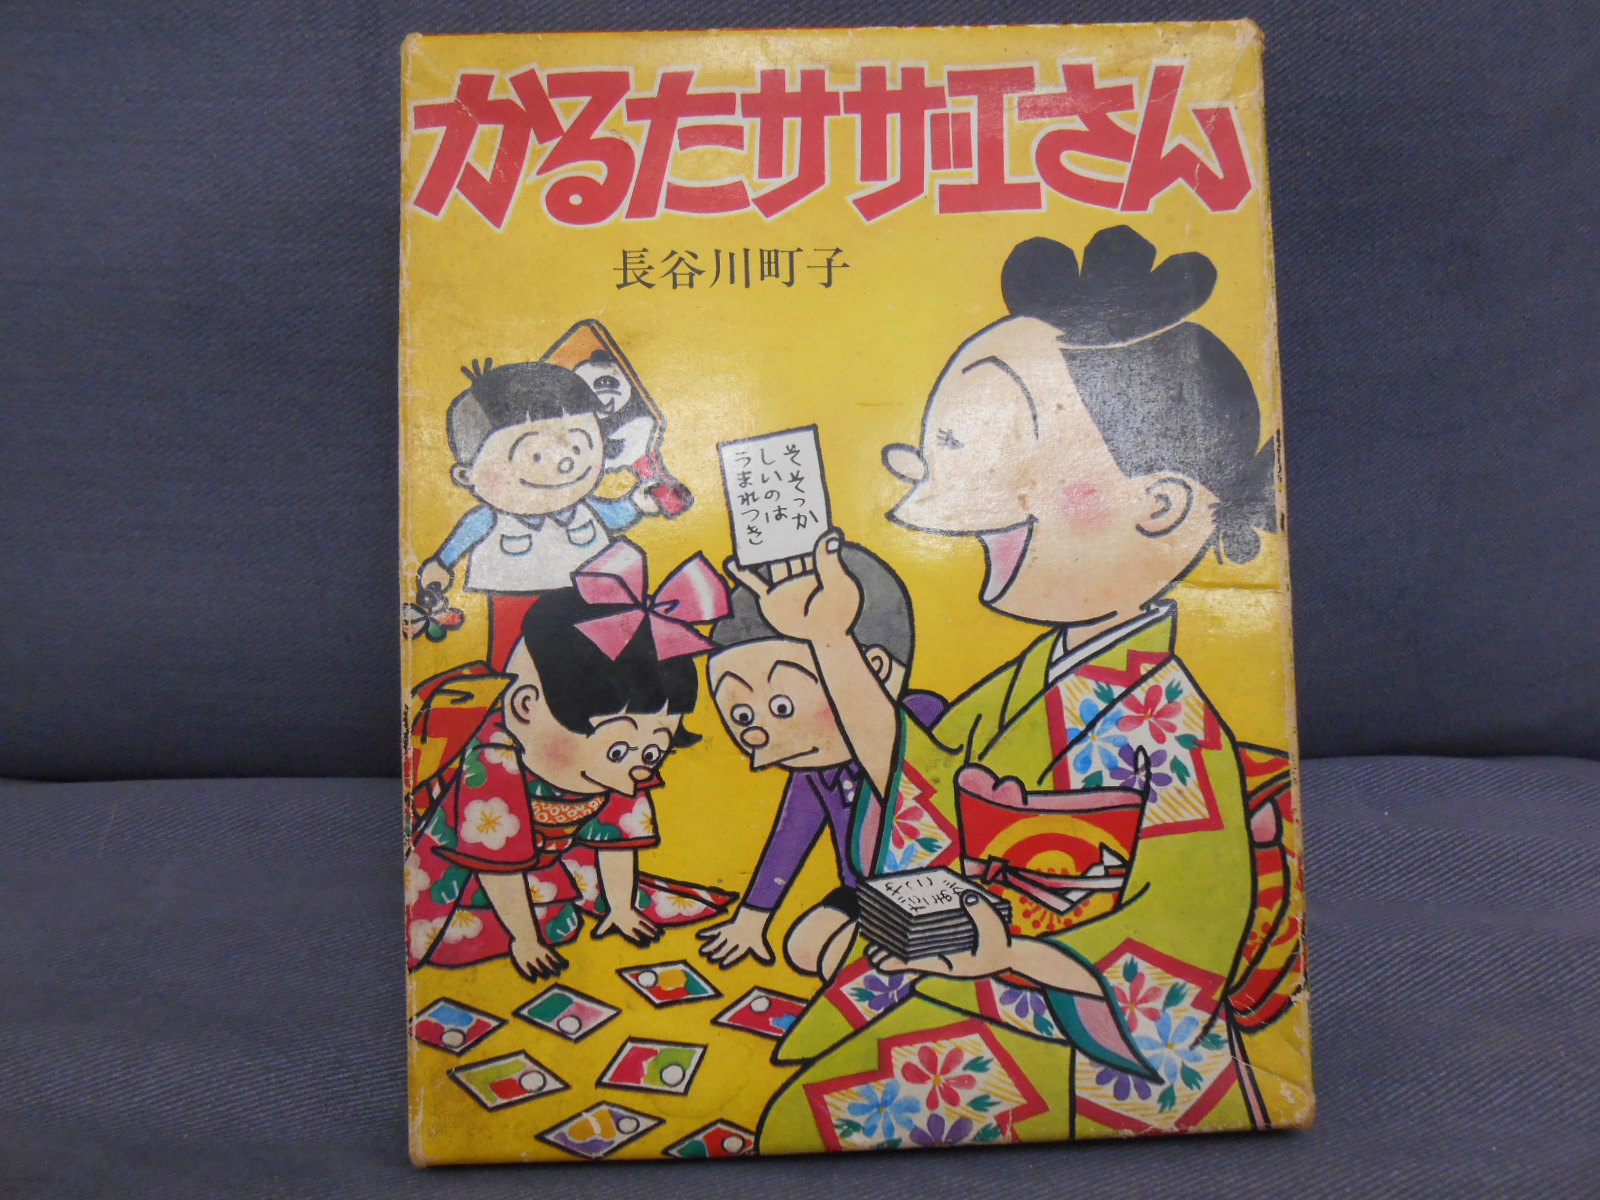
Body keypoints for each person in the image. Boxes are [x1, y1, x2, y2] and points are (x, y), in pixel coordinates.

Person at [742, 227, 1307, 1155]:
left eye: (1000, 443)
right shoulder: (1031, 679)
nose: (932, 479)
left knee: (812, 1117)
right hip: (982, 973)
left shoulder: (1170, 724)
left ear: (1159, 503)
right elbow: (921, 784)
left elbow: (1182, 938)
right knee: (797, 1102)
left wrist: (1014, 951)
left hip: (1094, 1039)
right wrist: (830, 640)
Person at [404, 539, 734, 980]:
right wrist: (524, 939)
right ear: (525, 707)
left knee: (563, 924)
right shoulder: (492, 762)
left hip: (544, 858)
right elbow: (494, 861)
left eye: (655, 749)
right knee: (465, 943)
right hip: (462, 864)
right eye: (619, 749)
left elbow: (617, 838)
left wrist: (620, 907)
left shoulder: (623, 769)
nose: (639, 764)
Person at [694, 543, 946, 974]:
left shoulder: (921, 719)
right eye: (742, 714)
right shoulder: (815, 767)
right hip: (864, 891)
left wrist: (830, 636)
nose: (755, 730)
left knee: (846, 960)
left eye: (782, 706)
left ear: (875, 667)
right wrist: (753, 919)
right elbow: (792, 835)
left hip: (933, 885)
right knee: (805, 949)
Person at [415, 358, 662, 670]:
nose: (565, 464)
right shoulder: (490, 521)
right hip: (515, 599)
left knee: (588, 661)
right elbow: (454, 549)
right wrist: (438, 572)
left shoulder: (586, 510)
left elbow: (615, 516)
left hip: (586, 598)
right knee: (516, 661)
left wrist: (638, 503)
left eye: (578, 446)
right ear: (467, 476)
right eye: (535, 455)